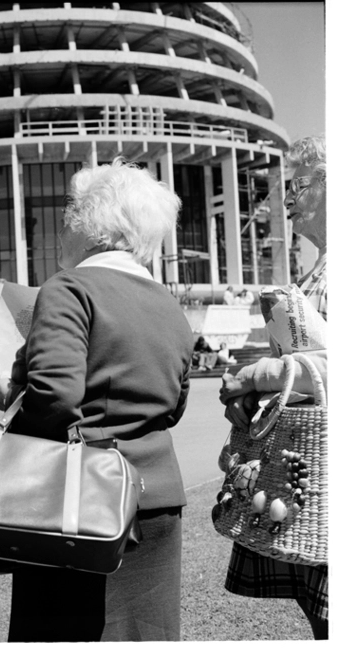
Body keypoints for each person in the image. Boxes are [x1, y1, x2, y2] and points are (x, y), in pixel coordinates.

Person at [0, 158, 194, 642]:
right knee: (144, 638)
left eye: (69, 215)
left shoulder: (69, 287)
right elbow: (175, 404)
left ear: (89, 222)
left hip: (80, 501)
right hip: (158, 496)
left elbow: (55, 395)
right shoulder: (169, 304)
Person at [219, 135, 327, 639]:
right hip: (309, 472)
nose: (286, 200)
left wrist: (255, 377)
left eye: (298, 186)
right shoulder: (316, 273)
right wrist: (252, 393)